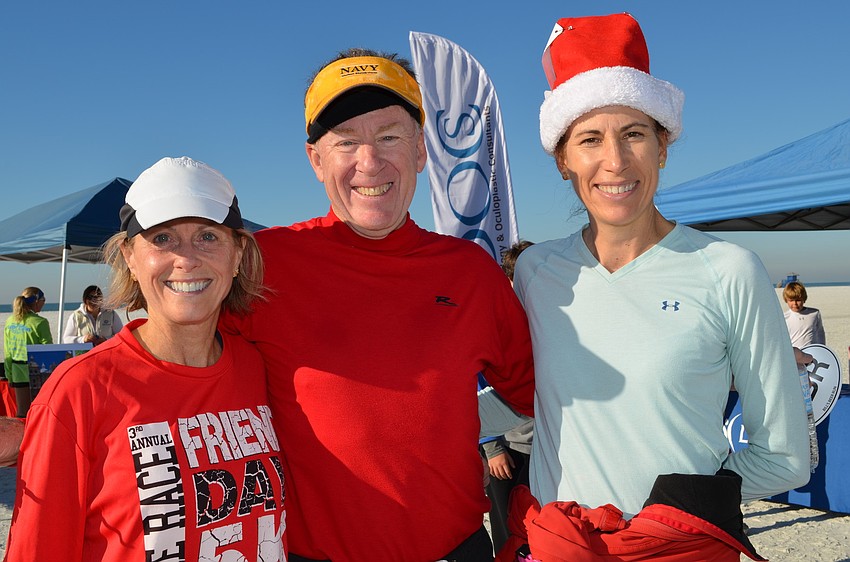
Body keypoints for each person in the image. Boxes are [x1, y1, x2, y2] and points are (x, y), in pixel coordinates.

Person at [510, 12, 810, 560]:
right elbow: (518, 399)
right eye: (590, 139)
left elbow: (784, 457)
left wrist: (675, 504)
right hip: (562, 547)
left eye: (634, 135)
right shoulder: (536, 273)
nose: (615, 161)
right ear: (562, 160)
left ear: (663, 147)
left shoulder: (728, 269)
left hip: (680, 547)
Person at [223, 48, 535, 561]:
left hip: (456, 551)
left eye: (389, 136)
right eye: (347, 142)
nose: (370, 162)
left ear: (420, 151)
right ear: (315, 160)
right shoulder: (261, 265)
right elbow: (184, 371)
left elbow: (534, 395)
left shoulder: (471, 271)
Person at [5, 156, 286, 562]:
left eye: (208, 236)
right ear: (130, 257)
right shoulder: (79, 390)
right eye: (162, 238)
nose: (186, 258)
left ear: (238, 255)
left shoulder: (259, 368)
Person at [481, 240, 535, 553]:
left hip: (547, 449)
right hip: (509, 450)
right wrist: (492, 449)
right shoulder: (497, 320)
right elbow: (475, 382)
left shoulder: (550, 317)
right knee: (508, 532)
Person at [3, 286, 52, 417]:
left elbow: (7, 351)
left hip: (17, 370)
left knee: (22, 413)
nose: (44, 303)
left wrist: (10, 375)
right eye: (43, 300)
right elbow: (47, 350)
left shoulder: (10, 321)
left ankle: (23, 438)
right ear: (37, 301)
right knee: (39, 412)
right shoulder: (40, 322)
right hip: (36, 372)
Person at [783, 280, 826, 348]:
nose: (795, 303)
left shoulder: (814, 313)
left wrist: (822, 348)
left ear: (804, 299)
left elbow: (820, 333)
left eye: (798, 300)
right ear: (786, 300)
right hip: (793, 353)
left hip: (811, 352)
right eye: (791, 300)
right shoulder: (784, 317)